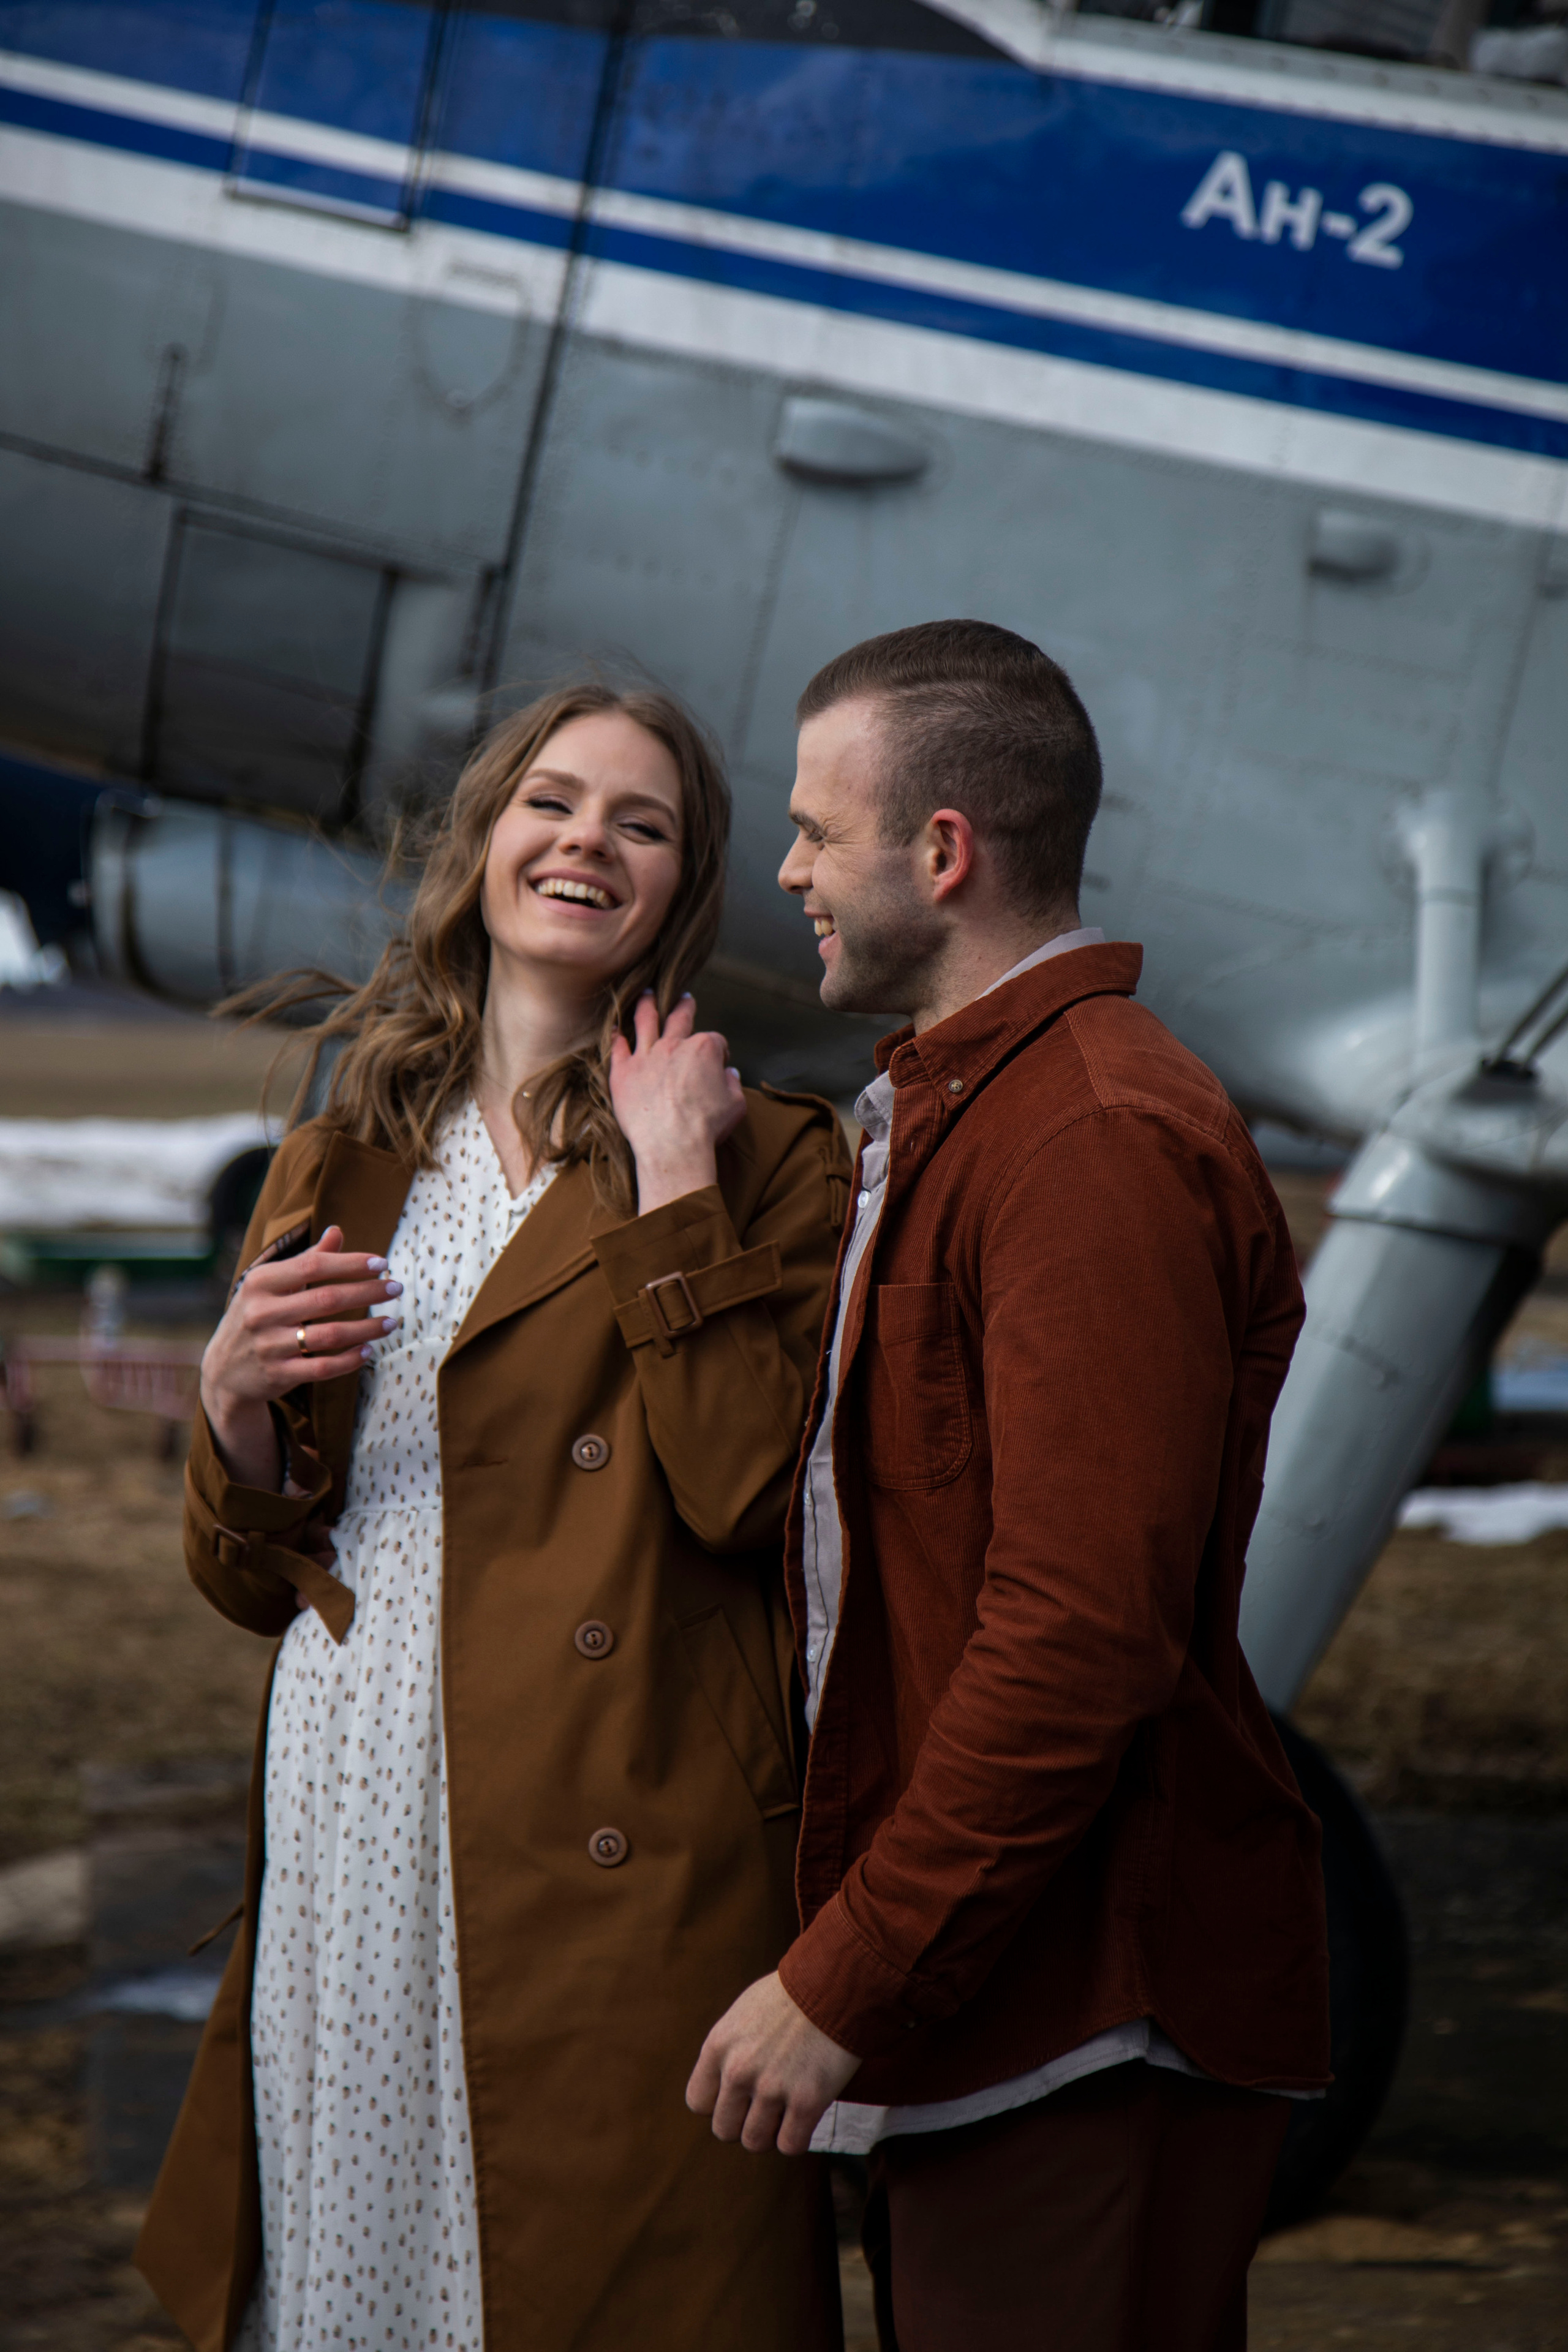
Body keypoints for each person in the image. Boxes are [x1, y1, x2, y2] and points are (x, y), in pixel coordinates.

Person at [135, 684, 849, 2352]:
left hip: (600, 1801)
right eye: (553, 800)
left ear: (683, 885)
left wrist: (676, 1189)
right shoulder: (347, 1155)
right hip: (359, 1796)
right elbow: (255, 1581)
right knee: (362, 2267)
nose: (587, 838)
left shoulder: (762, 1152)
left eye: (642, 821)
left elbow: (747, 1490)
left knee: (571, 2269)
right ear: (486, 840)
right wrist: (232, 1410)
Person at [688, 621, 1331, 2351]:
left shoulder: (1090, 1141)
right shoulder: (982, 1111)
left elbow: (1077, 1637)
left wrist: (850, 1973)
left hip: (1082, 2023)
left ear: (946, 852)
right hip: (1006, 2014)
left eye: (821, 830)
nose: (793, 869)